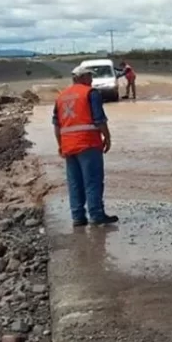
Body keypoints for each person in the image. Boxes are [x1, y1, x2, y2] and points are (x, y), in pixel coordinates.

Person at [53, 65, 118, 226]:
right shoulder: (90, 93)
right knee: (93, 180)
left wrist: (60, 145)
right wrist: (107, 137)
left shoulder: (61, 96)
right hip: (88, 143)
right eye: (89, 76)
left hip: (69, 146)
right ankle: (96, 215)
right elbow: (99, 120)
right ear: (80, 78)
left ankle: (78, 217)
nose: (92, 79)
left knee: (75, 182)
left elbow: (56, 124)